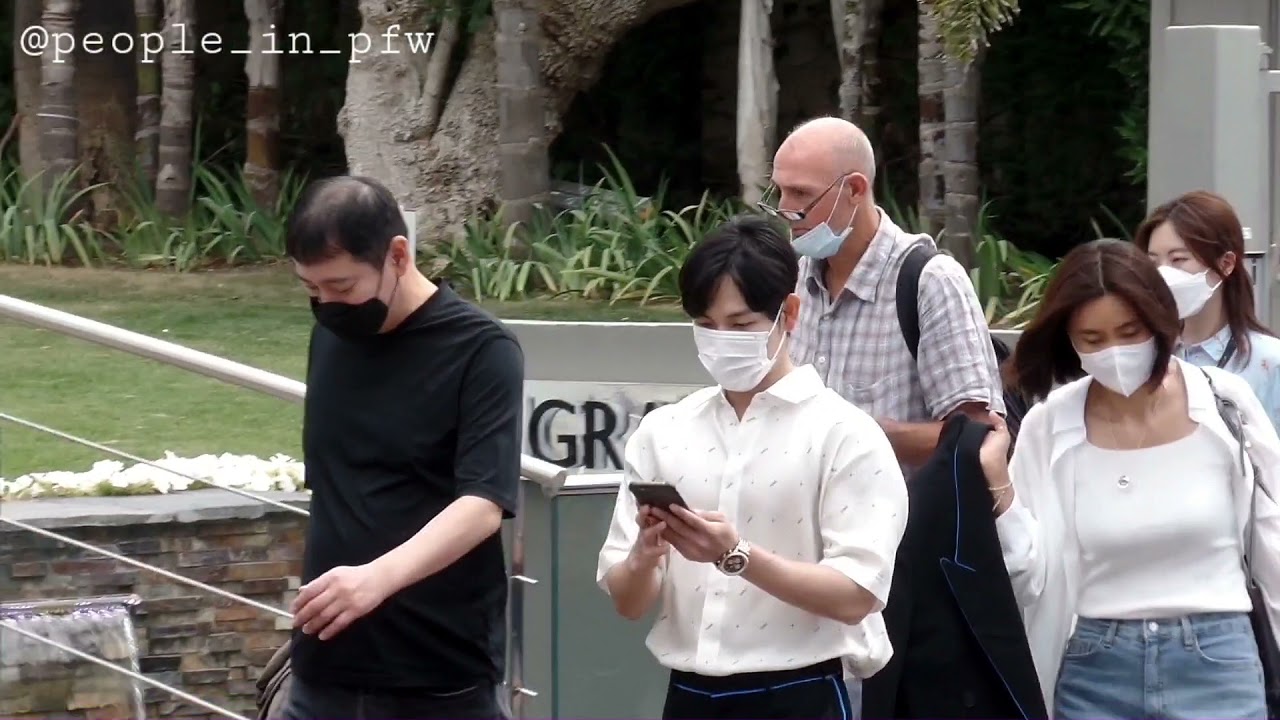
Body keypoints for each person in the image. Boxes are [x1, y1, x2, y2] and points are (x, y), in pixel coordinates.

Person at [595, 215, 908, 720]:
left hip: (804, 688)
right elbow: (630, 603)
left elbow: (858, 594)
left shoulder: (844, 433)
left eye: (741, 325)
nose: (721, 340)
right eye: (705, 325)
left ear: (790, 313)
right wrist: (642, 556)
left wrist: (735, 555)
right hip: (690, 693)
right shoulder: (665, 431)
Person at [989, 237, 1280, 719]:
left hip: (1217, 659)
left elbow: (1273, 540)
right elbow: (1028, 569)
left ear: (1160, 321)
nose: (1115, 353)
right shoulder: (1051, 424)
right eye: (1093, 340)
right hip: (1094, 664)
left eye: (1130, 332)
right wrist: (999, 486)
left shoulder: (1224, 403)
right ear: (1069, 340)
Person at [277, 176, 523, 720]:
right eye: (311, 289)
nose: (327, 305)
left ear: (398, 254)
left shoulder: (482, 350)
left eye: (341, 287)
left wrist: (374, 580)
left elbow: (482, 505)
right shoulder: (331, 335)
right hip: (324, 671)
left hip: (437, 676)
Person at [760, 116, 1004, 468]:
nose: (785, 210)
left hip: (905, 517)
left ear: (856, 190)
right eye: (778, 190)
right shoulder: (791, 276)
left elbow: (979, 434)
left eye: (801, 194)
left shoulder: (930, 282)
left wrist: (856, 434)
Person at [1137, 190, 1280, 431]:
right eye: (1153, 263)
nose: (1163, 274)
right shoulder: (1144, 356)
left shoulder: (1268, 362)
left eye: (1178, 260)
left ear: (1226, 264)